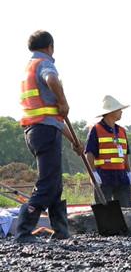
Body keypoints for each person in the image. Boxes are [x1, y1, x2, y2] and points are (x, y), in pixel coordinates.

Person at [16, 30, 82, 243]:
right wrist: (63, 101)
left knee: (55, 183)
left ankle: (61, 230)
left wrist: (74, 141)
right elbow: (51, 78)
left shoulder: (28, 69)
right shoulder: (44, 64)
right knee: (47, 183)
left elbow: (52, 118)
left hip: (36, 131)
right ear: (50, 47)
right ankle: (24, 230)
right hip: (44, 132)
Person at [85, 95, 131, 208]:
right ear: (111, 112)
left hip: (121, 176)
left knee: (126, 209)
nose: (121, 112)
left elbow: (126, 155)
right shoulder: (96, 129)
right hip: (103, 175)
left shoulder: (122, 131)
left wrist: (129, 172)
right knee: (104, 210)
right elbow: (89, 153)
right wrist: (93, 173)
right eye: (119, 109)